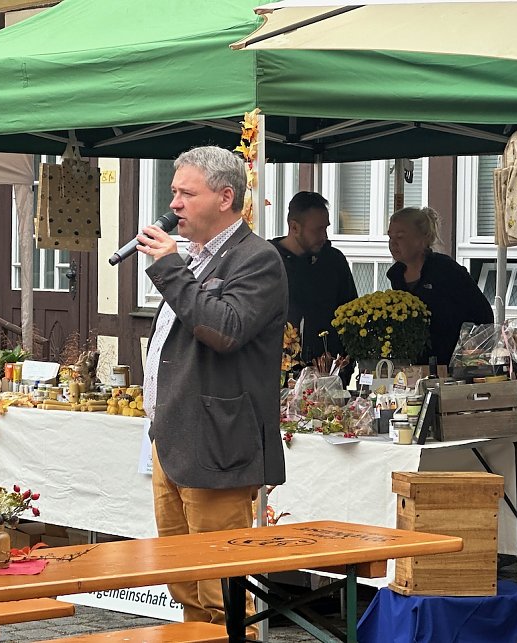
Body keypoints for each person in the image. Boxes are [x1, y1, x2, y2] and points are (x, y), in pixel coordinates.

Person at [137, 146, 287, 634]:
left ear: (226, 198)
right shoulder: (193, 257)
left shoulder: (257, 259)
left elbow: (224, 330)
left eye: (187, 193)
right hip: (172, 435)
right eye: (173, 191)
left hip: (217, 441)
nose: (174, 203)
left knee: (222, 587)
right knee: (182, 578)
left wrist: (168, 270)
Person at [386, 206, 493, 366]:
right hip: (414, 363)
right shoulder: (396, 275)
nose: (393, 243)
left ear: (423, 238)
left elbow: (483, 314)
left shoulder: (446, 269)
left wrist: (468, 353)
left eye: (400, 237)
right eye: (390, 237)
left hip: (452, 360)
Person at [269, 191, 357, 378]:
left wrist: (347, 365)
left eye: (326, 228)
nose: (324, 236)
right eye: (317, 230)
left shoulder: (334, 261)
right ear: (294, 227)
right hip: (280, 376)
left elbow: (351, 314)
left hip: (331, 374)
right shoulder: (268, 261)